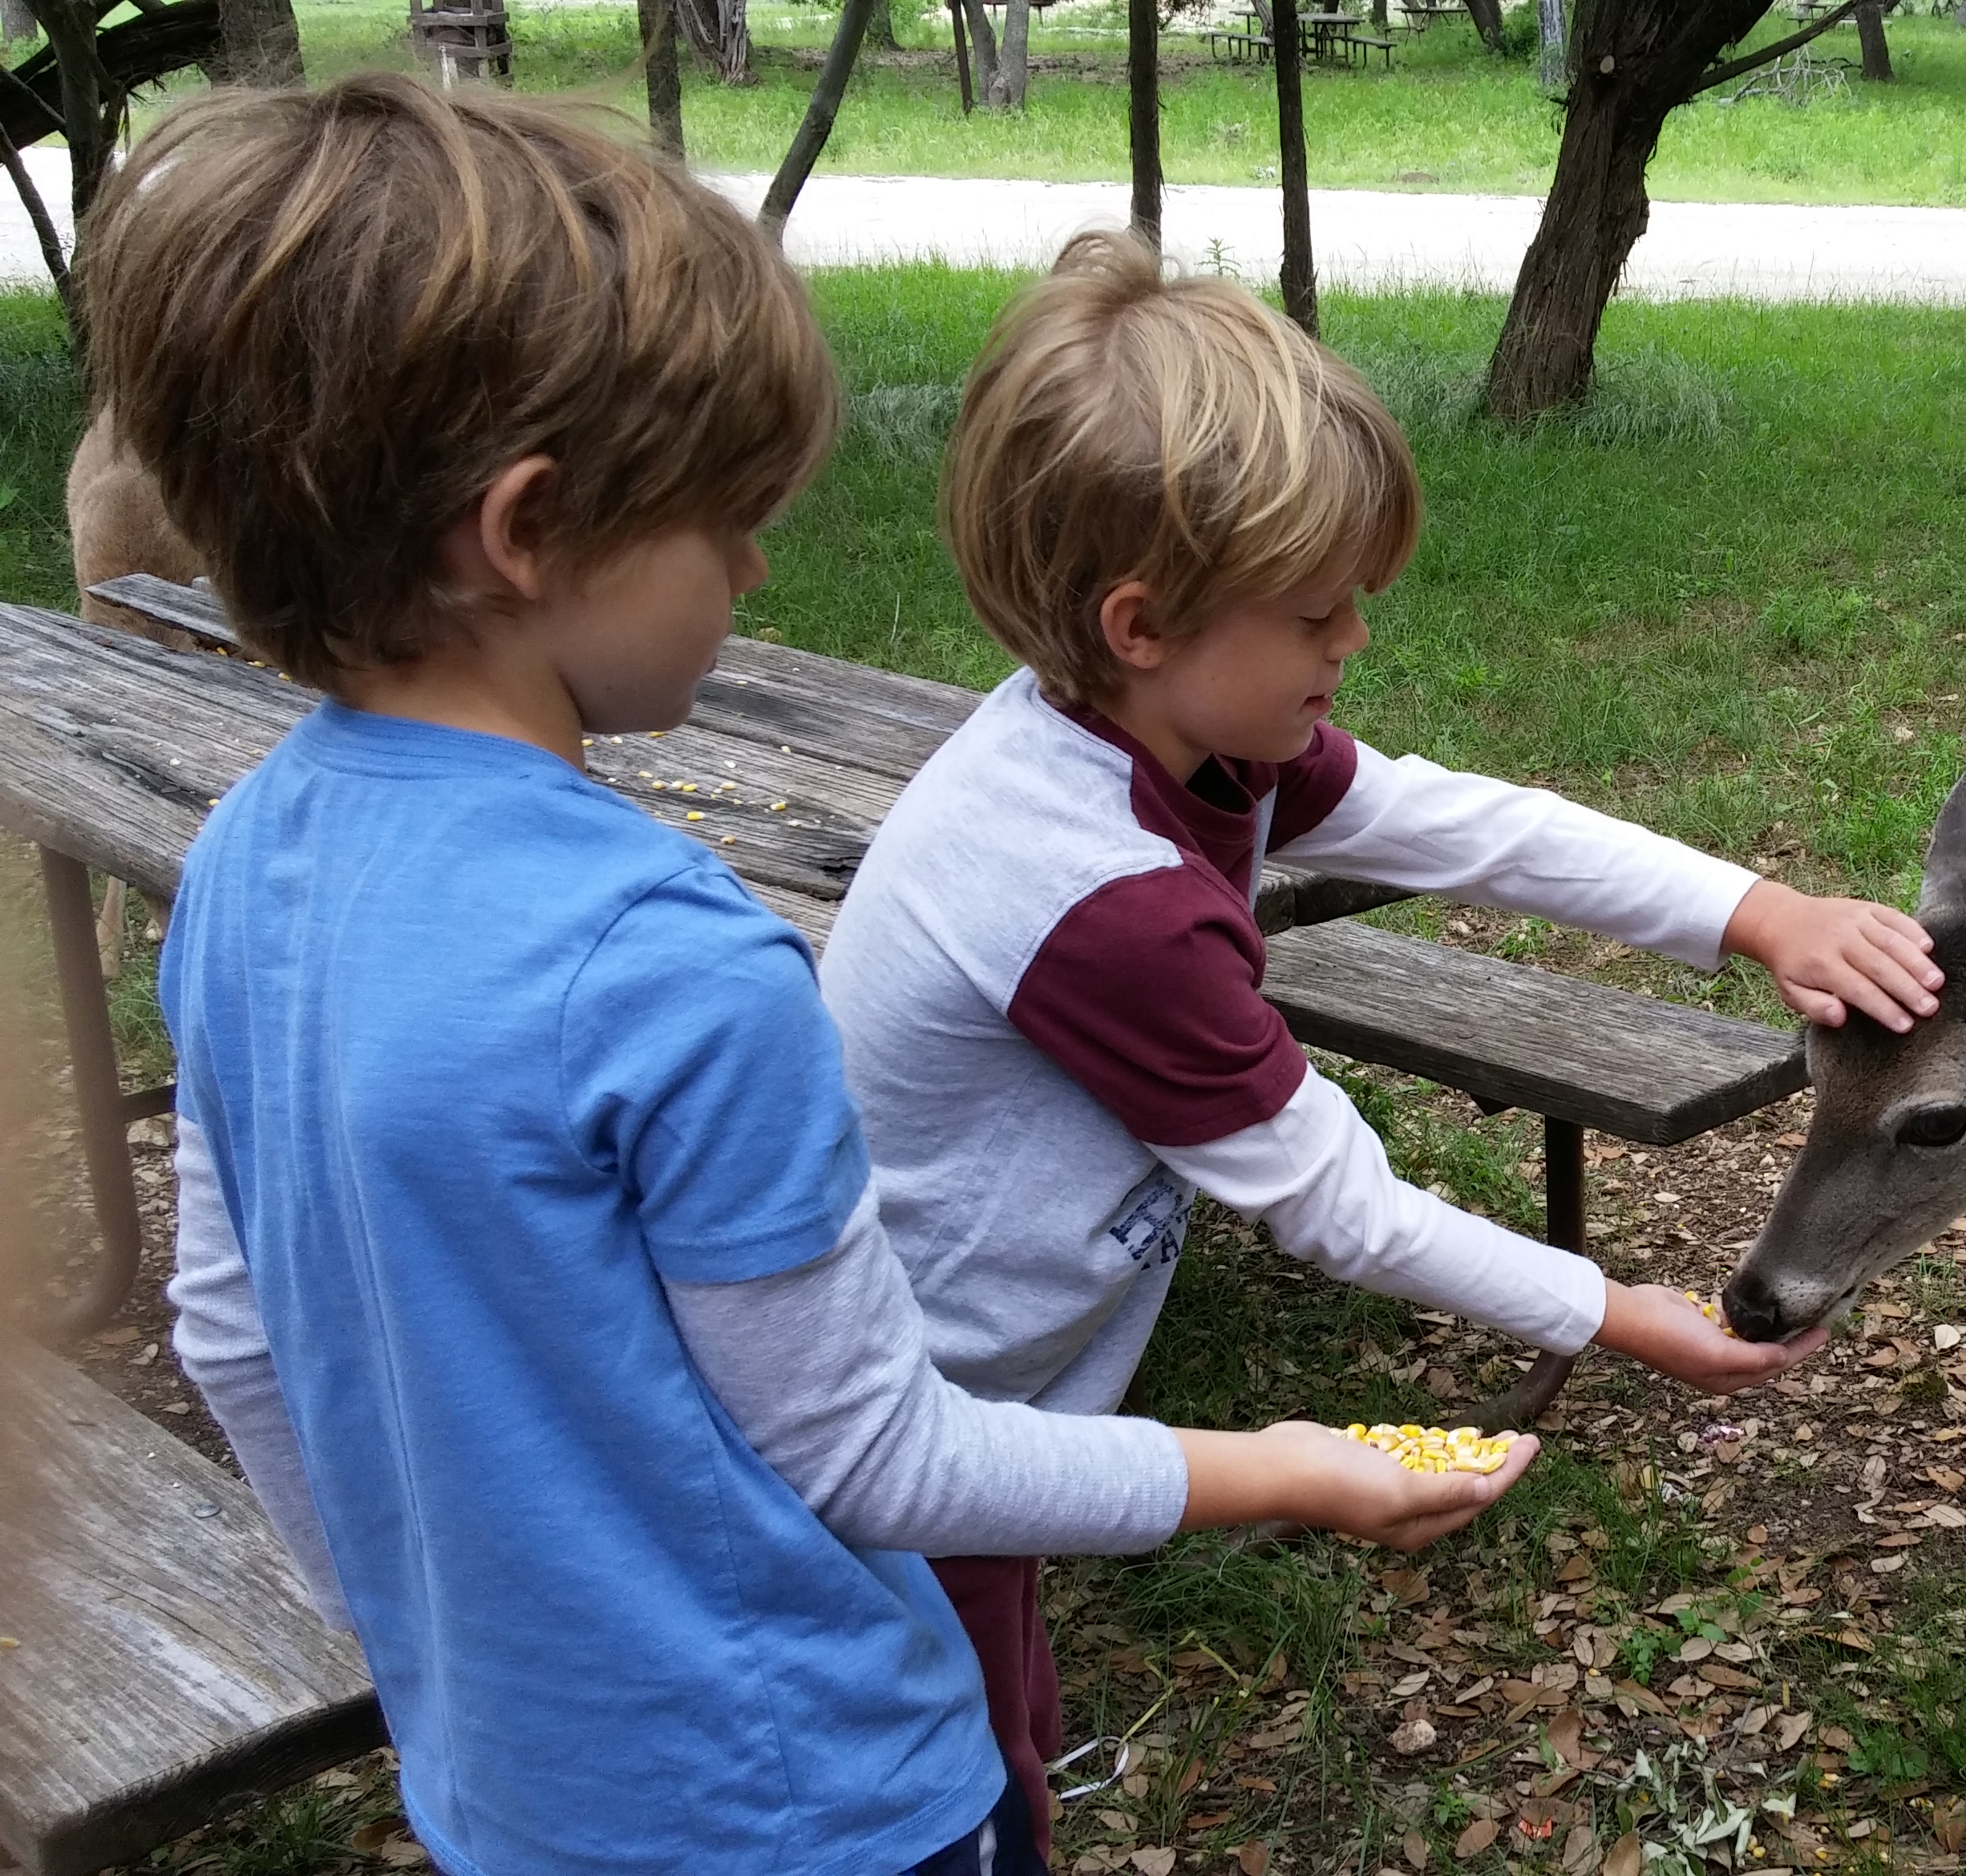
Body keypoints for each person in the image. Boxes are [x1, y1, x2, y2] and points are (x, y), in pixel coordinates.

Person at [113, 77, 1523, 1876]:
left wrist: (421, 1646)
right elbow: (882, 1458)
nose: (758, 563)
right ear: (529, 532)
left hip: (503, 1791)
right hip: (817, 1797)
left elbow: (231, 1333)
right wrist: (1284, 1462)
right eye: (722, 520)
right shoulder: (673, 963)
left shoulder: (245, 856)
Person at [821, 230, 1944, 1854]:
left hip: (997, 1396)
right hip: (926, 1421)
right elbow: (1337, 1207)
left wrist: (1755, 910)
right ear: (1141, 622)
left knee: (1001, 1717)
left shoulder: (1169, 736)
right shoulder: (1099, 902)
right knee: (950, 1776)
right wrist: (1616, 1314)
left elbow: (1464, 826)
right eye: (1315, 611)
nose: (1354, 639)